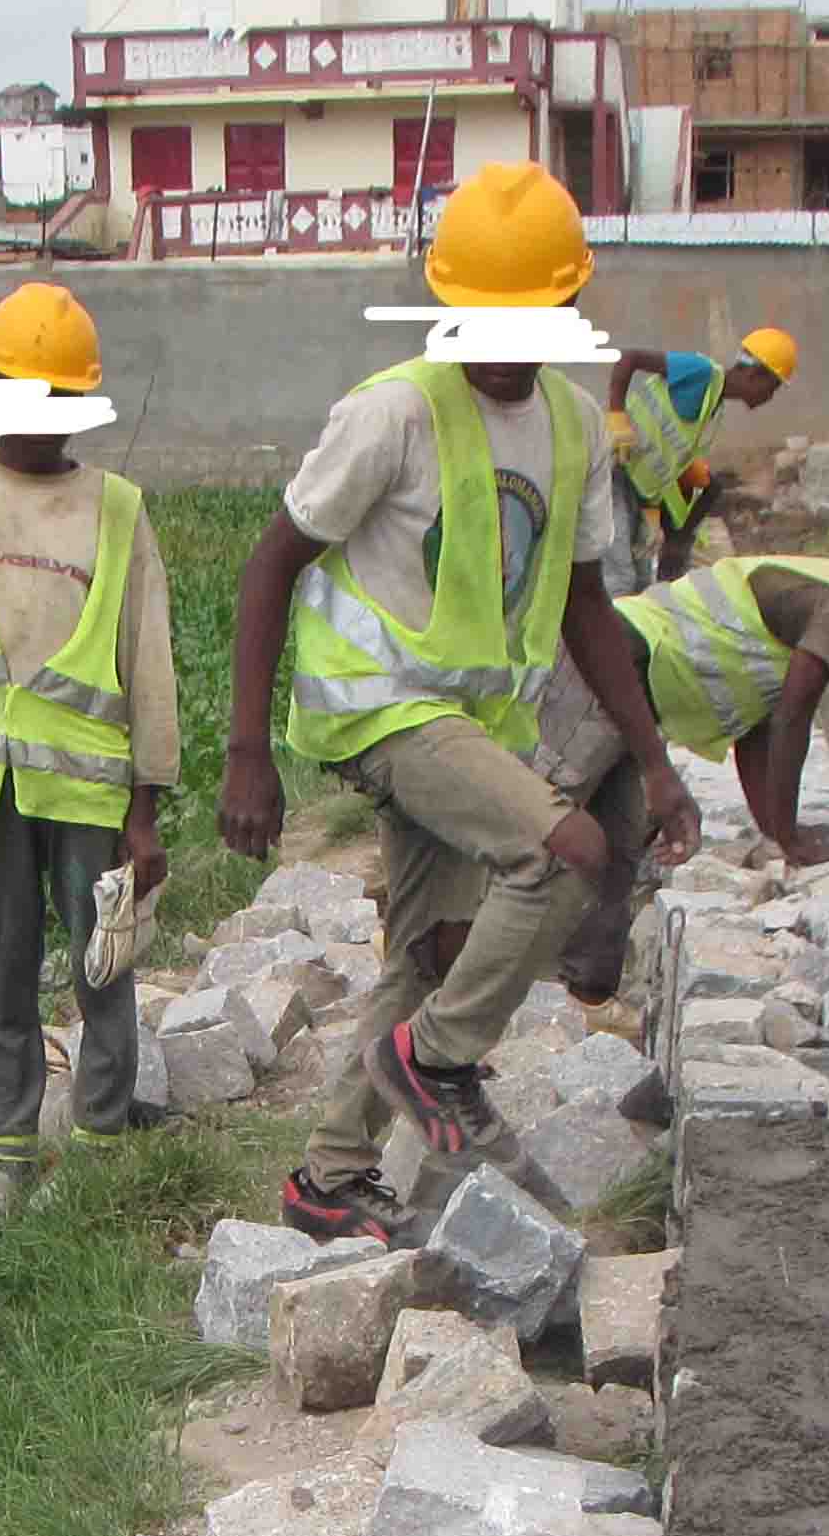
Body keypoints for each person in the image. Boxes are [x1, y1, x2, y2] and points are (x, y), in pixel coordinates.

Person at [217, 160, 703, 1248]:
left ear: (567, 307)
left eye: (531, 314)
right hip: (378, 712)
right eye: (483, 314)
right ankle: (436, 1060)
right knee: (563, 852)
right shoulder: (392, 413)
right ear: (447, 304)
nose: (505, 337)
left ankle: (329, 1179)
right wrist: (245, 749)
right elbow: (270, 564)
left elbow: (586, 607)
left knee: (434, 950)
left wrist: (656, 762)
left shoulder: (575, 427)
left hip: (475, 728)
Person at [0, 282, 179, 1224]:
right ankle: (11, 1154)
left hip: (92, 798)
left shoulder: (118, 511)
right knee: (1, 969)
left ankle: (99, 1145)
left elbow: (148, 664)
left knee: (103, 967)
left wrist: (146, 810)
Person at [537, 520, 829, 1015]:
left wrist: (777, 831)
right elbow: (792, 715)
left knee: (617, 848)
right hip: (615, 669)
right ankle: (485, 984)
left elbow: (757, 731)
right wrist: (792, 839)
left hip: (635, 687)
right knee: (548, 826)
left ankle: (582, 999)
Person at [604, 327, 796, 591]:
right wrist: (616, 417)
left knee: (641, 584)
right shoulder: (700, 372)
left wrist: (653, 513)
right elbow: (629, 358)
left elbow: (665, 462)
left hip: (637, 490)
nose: (769, 397)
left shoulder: (713, 408)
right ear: (755, 374)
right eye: (772, 388)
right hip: (611, 473)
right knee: (620, 582)